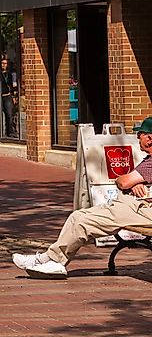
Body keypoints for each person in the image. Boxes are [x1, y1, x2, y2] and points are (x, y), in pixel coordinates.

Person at [13, 116, 152, 278]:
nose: (137, 139)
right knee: (78, 216)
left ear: (149, 138)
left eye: (139, 134)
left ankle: (55, 262)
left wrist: (129, 182)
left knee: (81, 221)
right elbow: (129, 182)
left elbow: (123, 182)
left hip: (143, 211)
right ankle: (46, 259)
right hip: (137, 208)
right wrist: (134, 183)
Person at [0, 58, 19, 137]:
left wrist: (13, 96)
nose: (4, 65)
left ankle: (10, 132)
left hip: (7, 96)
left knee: (9, 114)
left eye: (5, 63)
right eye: (2, 63)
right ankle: (1, 132)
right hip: (0, 96)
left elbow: (12, 85)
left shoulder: (9, 74)